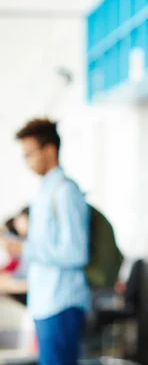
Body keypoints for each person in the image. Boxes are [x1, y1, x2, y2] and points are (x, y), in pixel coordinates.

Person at [0, 118, 90, 365]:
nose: (27, 162)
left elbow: (75, 252)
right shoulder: (44, 192)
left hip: (60, 302)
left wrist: (25, 248)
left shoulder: (65, 192)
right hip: (44, 302)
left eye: (30, 154)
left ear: (49, 150)